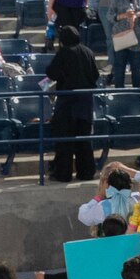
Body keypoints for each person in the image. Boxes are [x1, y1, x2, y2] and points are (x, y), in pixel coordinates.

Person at [44, 23, 99, 182]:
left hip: (67, 103)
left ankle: (63, 174)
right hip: (85, 102)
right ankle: (86, 173)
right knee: (84, 140)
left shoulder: (64, 53)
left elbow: (51, 73)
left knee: (65, 140)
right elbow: (95, 75)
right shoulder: (88, 51)